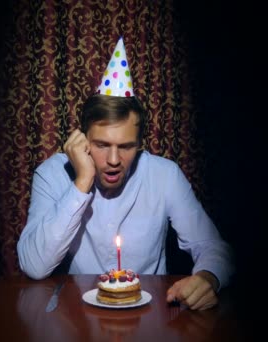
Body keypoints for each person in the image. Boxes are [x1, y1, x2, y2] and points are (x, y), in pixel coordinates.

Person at [17, 37, 231, 311]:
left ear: (140, 144)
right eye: (102, 145)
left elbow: (212, 245)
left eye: (126, 146)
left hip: (150, 316)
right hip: (77, 317)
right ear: (82, 140)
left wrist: (207, 277)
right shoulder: (52, 174)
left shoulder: (165, 175)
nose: (115, 160)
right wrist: (82, 182)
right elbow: (34, 266)